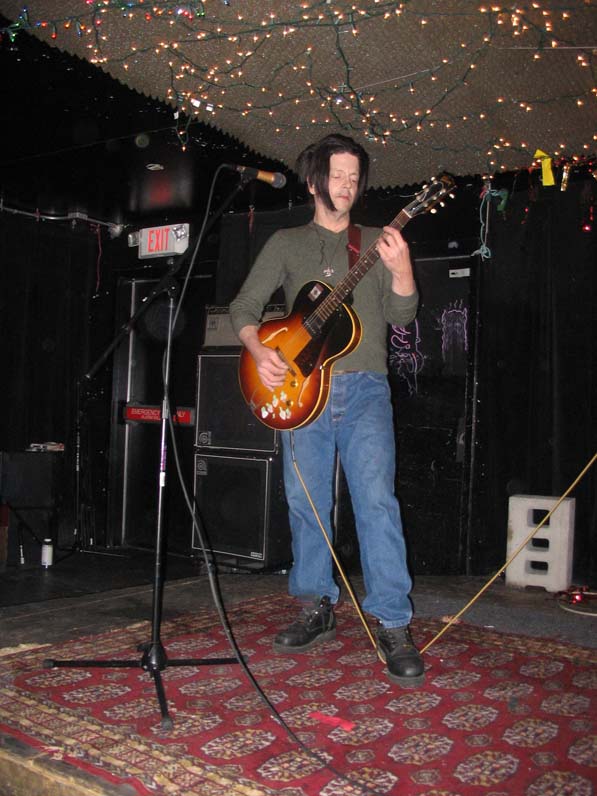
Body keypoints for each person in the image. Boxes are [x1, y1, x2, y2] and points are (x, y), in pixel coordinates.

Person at [229, 133, 423, 686]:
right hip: (300, 389)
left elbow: (403, 317)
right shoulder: (287, 242)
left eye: (354, 176)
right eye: (337, 175)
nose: (347, 185)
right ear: (315, 181)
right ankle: (317, 605)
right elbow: (244, 306)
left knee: (376, 501)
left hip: (364, 389)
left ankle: (392, 621)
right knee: (305, 501)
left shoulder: (376, 243)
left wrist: (403, 267)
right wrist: (260, 348)